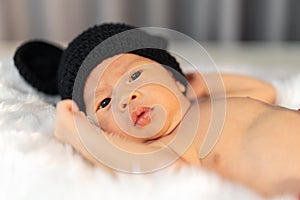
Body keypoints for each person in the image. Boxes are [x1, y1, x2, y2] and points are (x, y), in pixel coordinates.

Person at [14, 23, 300, 198]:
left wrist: (196, 83)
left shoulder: (210, 104)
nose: (127, 97)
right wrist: (77, 133)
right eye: (104, 102)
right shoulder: (169, 148)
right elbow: (142, 166)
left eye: (135, 76)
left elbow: (266, 92)